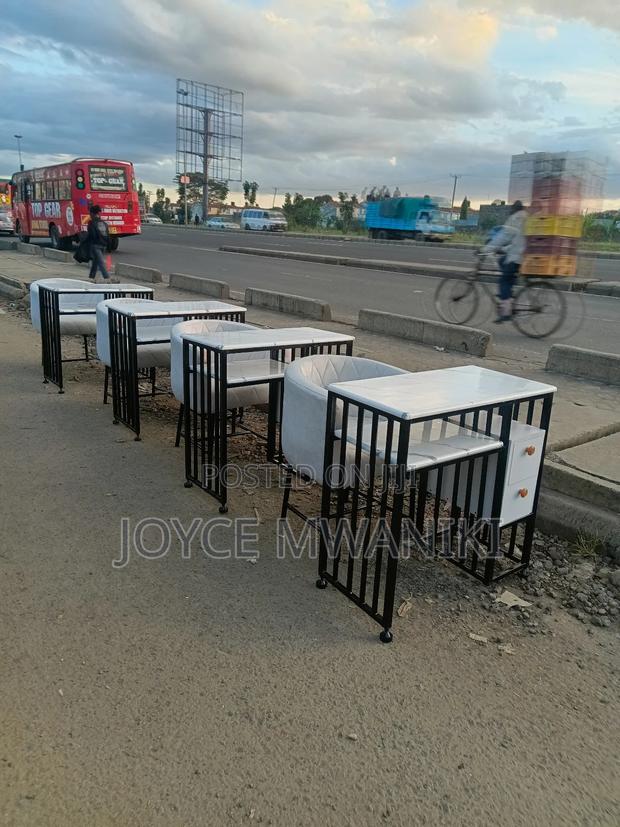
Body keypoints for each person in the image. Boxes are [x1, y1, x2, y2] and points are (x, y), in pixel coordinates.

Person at [483, 200, 527, 322]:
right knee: (502, 261)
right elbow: (517, 239)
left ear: (513, 209)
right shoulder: (526, 217)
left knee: (504, 281)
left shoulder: (515, 218)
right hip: (522, 253)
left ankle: (506, 311)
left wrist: (486, 248)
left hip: (517, 256)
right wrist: (503, 250)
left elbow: (504, 236)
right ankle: (508, 295)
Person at [87, 205, 118, 283]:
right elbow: (108, 235)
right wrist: (109, 246)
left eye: (90, 213)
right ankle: (91, 277)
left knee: (100, 263)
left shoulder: (91, 223)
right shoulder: (104, 223)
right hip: (103, 245)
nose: (89, 215)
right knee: (96, 261)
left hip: (95, 245)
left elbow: (92, 235)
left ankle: (107, 278)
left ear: (92, 213)